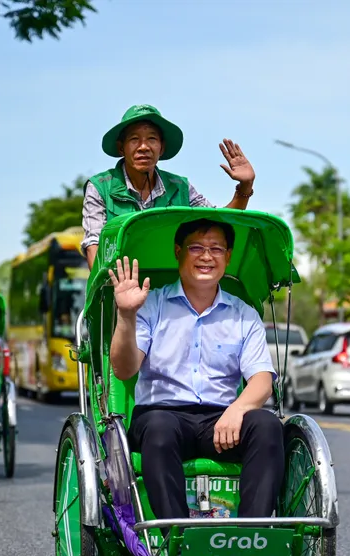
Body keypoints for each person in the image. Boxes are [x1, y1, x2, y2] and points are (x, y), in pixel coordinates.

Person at [109, 218, 284, 531]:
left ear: (228, 256)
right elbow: (124, 369)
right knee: (160, 429)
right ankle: (176, 538)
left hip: (221, 421)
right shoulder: (152, 305)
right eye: (197, 248)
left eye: (216, 249)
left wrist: (238, 410)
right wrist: (126, 314)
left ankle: (250, 535)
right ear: (178, 252)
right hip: (161, 416)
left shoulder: (243, 314)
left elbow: (261, 379)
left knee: (267, 425)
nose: (206, 256)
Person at [81, 104, 256, 269]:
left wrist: (245, 186)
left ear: (162, 148)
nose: (144, 147)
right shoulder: (100, 187)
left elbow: (218, 223)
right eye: (134, 139)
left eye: (152, 139)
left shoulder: (181, 187)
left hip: (170, 286)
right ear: (121, 148)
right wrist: (109, 285)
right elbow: (93, 243)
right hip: (121, 285)